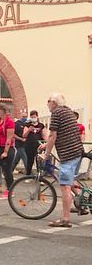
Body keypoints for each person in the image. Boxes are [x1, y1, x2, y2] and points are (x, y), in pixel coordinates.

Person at [44, 93, 84, 228]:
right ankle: (82, 202)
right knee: (70, 179)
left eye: (48, 101)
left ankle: (65, 219)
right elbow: (63, 133)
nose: (47, 103)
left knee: (65, 186)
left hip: (68, 154)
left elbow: (53, 135)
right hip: (77, 151)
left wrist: (47, 154)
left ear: (54, 103)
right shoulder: (68, 111)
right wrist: (46, 144)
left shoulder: (56, 113)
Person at [24, 110, 46, 175]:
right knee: (30, 160)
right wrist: (29, 130)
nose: (33, 118)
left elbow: (44, 135)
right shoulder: (27, 125)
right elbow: (24, 135)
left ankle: (39, 175)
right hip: (29, 145)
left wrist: (46, 142)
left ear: (37, 117)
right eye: (32, 117)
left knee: (39, 161)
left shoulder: (41, 125)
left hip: (38, 145)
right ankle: (28, 174)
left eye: (34, 116)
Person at [11, 109, 29, 174]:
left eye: (25, 117)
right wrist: (20, 139)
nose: (24, 118)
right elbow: (12, 134)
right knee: (25, 159)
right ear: (20, 116)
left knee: (16, 160)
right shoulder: (16, 124)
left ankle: (9, 171)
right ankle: (29, 174)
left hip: (26, 145)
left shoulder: (27, 124)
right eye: (23, 116)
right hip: (19, 145)